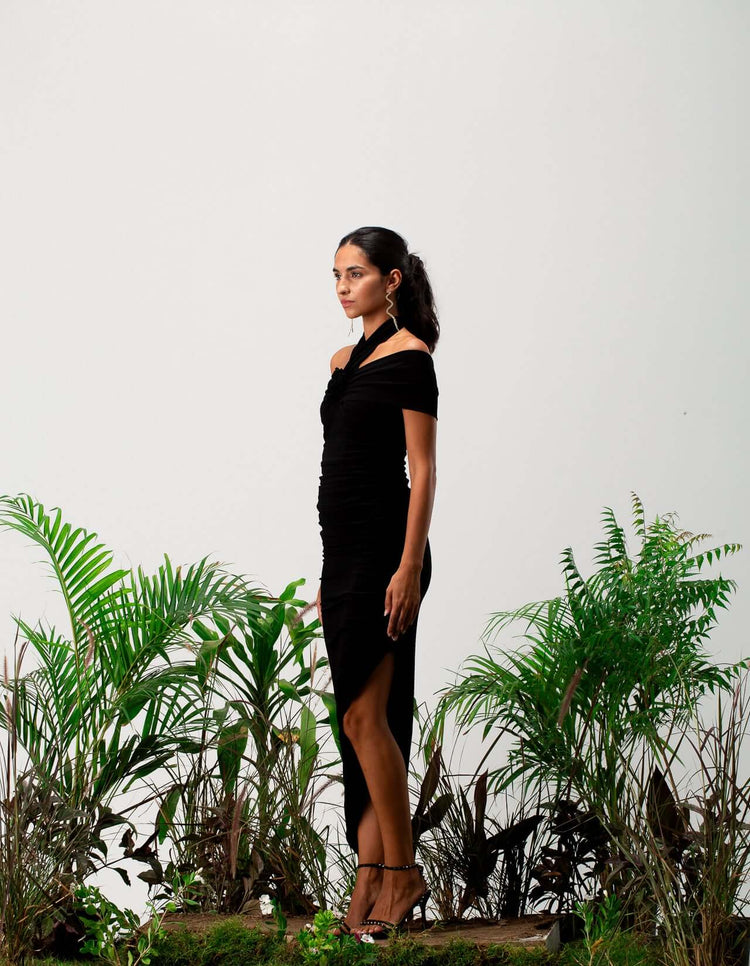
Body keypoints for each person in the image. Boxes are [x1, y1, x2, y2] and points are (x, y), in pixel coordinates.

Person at [315, 226, 439, 938]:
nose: (342, 287)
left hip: (388, 554)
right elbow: (339, 468)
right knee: (357, 725)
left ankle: (402, 872)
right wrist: (328, 572)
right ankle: (369, 878)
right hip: (342, 559)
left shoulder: (411, 358)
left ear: (391, 281)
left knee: (368, 718)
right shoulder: (341, 362)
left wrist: (409, 566)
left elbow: (422, 469)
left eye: (355, 274)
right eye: (336, 275)